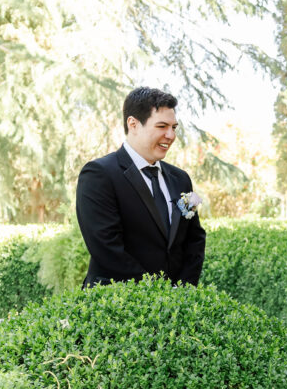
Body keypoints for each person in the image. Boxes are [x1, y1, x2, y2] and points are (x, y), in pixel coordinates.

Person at [76, 87, 206, 287]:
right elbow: (106, 248)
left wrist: (183, 292)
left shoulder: (181, 179)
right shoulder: (99, 174)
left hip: (177, 307)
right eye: (162, 126)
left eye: (174, 127)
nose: (170, 135)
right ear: (133, 124)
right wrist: (157, 293)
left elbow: (194, 238)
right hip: (118, 303)